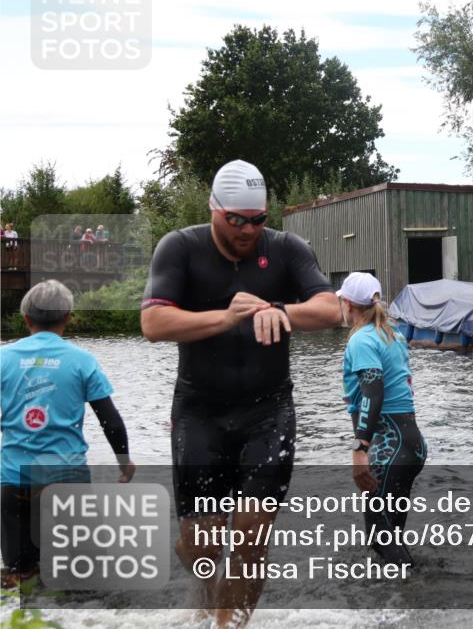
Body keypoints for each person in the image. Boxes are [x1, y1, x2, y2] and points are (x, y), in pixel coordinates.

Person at [140, 159, 341, 629]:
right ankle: (202, 587)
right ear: (214, 209)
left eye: (258, 220)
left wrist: (279, 309)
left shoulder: (287, 248)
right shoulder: (180, 247)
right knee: (202, 544)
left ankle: (229, 625)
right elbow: (153, 323)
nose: (248, 230)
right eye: (236, 220)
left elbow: (331, 309)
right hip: (199, 413)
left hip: (268, 412)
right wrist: (228, 318)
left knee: (251, 533)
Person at [0, 280, 135, 588]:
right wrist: (124, 461)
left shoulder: (4, 359)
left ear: (26, 319)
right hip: (66, 479)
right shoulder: (81, 360)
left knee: (20, 578)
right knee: (87, 576)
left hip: (13, 479)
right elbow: (110, 420)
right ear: (68, 318)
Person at [339, 272, 427, 566]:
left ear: (348, 304)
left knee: (380, 537)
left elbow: (373, 392)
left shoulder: (361, 341)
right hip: (409, 444)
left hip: (389, 447)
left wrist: (359, 448)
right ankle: (396, 598)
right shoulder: (393, 334)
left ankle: (421, 595)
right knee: (391, 536)